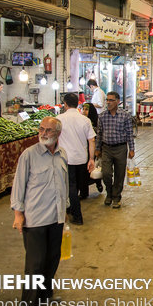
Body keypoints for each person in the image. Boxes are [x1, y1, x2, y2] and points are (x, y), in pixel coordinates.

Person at [11, 117, 69, 306]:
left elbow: (64, 184)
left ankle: (45, 295)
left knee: (52, 259)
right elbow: (19, 185)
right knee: (35, 263)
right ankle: (28, 303)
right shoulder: (29, 155)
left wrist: (65, 210)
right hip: (35, 219)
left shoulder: (62, 154)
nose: (44, 133)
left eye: (49, 130)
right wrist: (18, 214)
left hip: (56, 217)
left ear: (58, 134)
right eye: (42, 129)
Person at [57, 93, 96, 225]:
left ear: (65, 104)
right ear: (78, 103)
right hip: (81, 158)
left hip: (65, 159)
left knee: (71, 187)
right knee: (77, 186)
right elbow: (92, 140)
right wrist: (91, 159)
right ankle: (71, 209)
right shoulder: (85, 120)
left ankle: (77, 215)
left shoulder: (59, 119)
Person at [94, 91, 135, 208]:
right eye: (107, 100)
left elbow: (129, 133)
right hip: (106, 148)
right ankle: (109, 192)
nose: (108, 102)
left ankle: (116, 197)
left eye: (111, 100)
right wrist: (97, 148)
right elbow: (99, 134)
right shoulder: (102, 116)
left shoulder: (125, 115)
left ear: (117, 101)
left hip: (121, 148)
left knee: (119, 174)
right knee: (106, 173)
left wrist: (131, 149)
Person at [81, 103, 102, 195]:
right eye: (83, 109)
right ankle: (84, 191)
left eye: (86, 109)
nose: (84, 111)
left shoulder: (97, 121)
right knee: (84, 171)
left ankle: (98, 182)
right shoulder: (81, 121)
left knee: (94, 168)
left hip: (94, 148)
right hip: (83, 149)